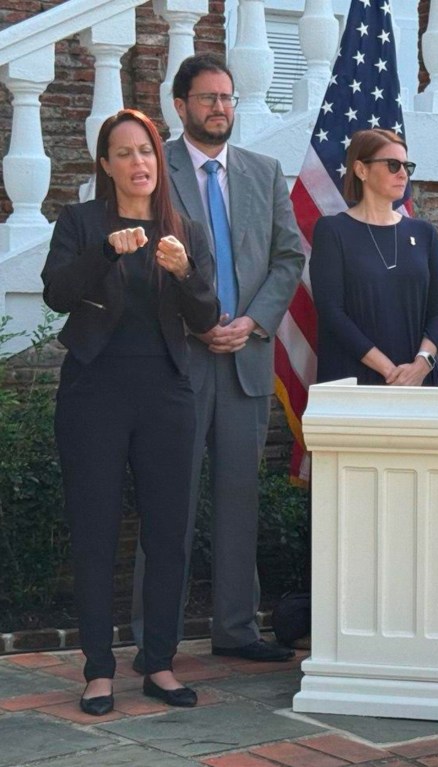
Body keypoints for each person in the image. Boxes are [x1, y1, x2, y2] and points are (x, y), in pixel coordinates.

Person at [42, 109, 220, 715]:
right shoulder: (81, 221)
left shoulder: (186, 230)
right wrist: (104, 254)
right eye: (123, 153)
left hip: (167, 393)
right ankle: (97, 671)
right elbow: (57, 293)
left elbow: (207, 317)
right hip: (94, 392)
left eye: (145, 151)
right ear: (106, 164)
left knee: (169, 533)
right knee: (94, 531)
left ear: (158, 158)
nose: (137, 163)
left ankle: (160, 664)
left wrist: (186, 272)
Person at [130, 53, 304, 666]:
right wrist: (200, 322)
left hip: (245, 360)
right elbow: (144, 259)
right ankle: (157, 637)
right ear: (180, 106)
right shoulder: (158, 170)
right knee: (168, 499)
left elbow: (289, 258)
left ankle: (235, 631)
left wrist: (253, 322)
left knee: (239, 500)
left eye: (227, 98)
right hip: (179, 358)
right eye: (207, 98)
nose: (220, 108)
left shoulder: (263, 171)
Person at [309, 128, 438, 385]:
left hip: (420, 377)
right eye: (393, 165)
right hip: (356, 377)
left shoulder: (425, 233)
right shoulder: (333, 231)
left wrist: (422, 363)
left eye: (407, 166)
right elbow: (331, 311)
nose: (403, 173)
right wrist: (390, 371)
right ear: (361, 170)